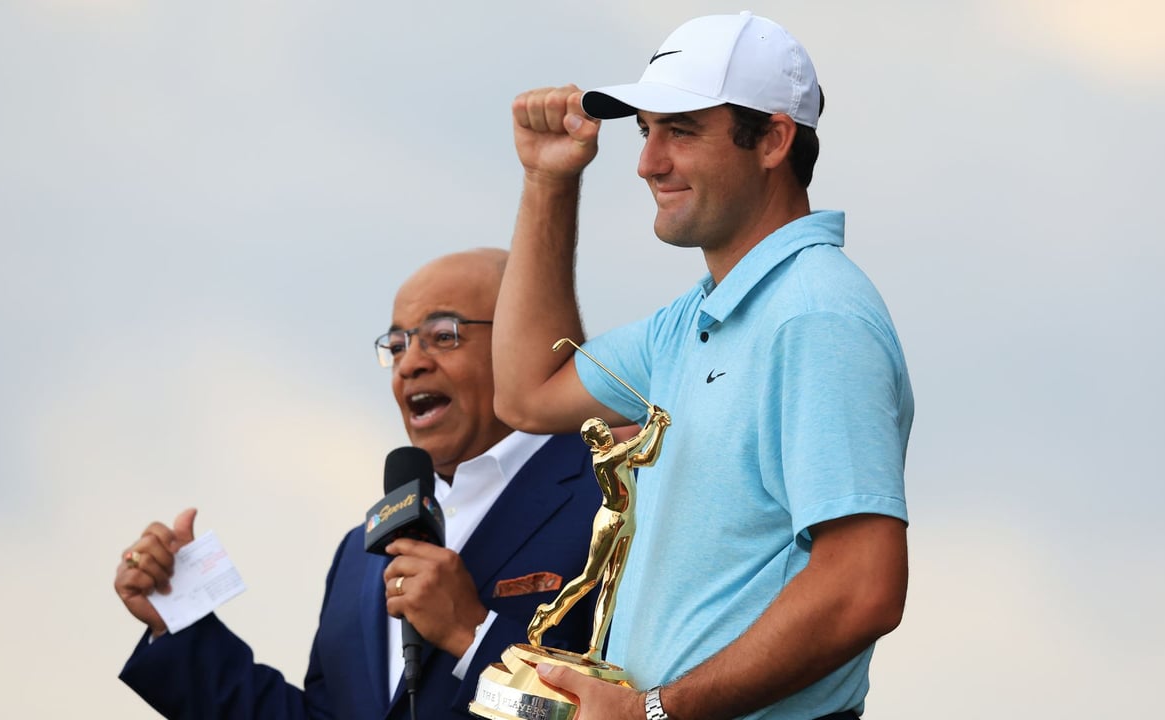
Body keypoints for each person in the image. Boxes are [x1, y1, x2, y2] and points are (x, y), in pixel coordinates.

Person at [494, 12, 914, 720]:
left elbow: (863, 586)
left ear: (774, 139)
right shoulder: (691, 320)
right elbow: (527, 394)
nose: (648, 162)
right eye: (645, 130)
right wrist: (547, 181)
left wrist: (654, 712)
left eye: (681, 130)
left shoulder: (816, 315)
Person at [114, 248, 604, 719]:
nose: (410, 363)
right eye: (397, 346)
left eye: (443, 335)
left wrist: (471, 634)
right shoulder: (359, 556)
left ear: (522, 339)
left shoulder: (611, 498)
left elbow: (618, 708)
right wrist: (175, 622)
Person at [527, 405, 670, 660]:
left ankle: (595, 649)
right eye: (599, 433)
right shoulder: (604, 458)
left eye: (604, 429)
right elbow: (636, 443)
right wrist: (652, 423)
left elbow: (647, 459)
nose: (605, 434)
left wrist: (660, 429)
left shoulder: (617, 455)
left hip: (627, 520)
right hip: (610, 521)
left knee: (612, 585)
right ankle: (547, 615)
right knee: (589, 579)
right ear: (591, 441)